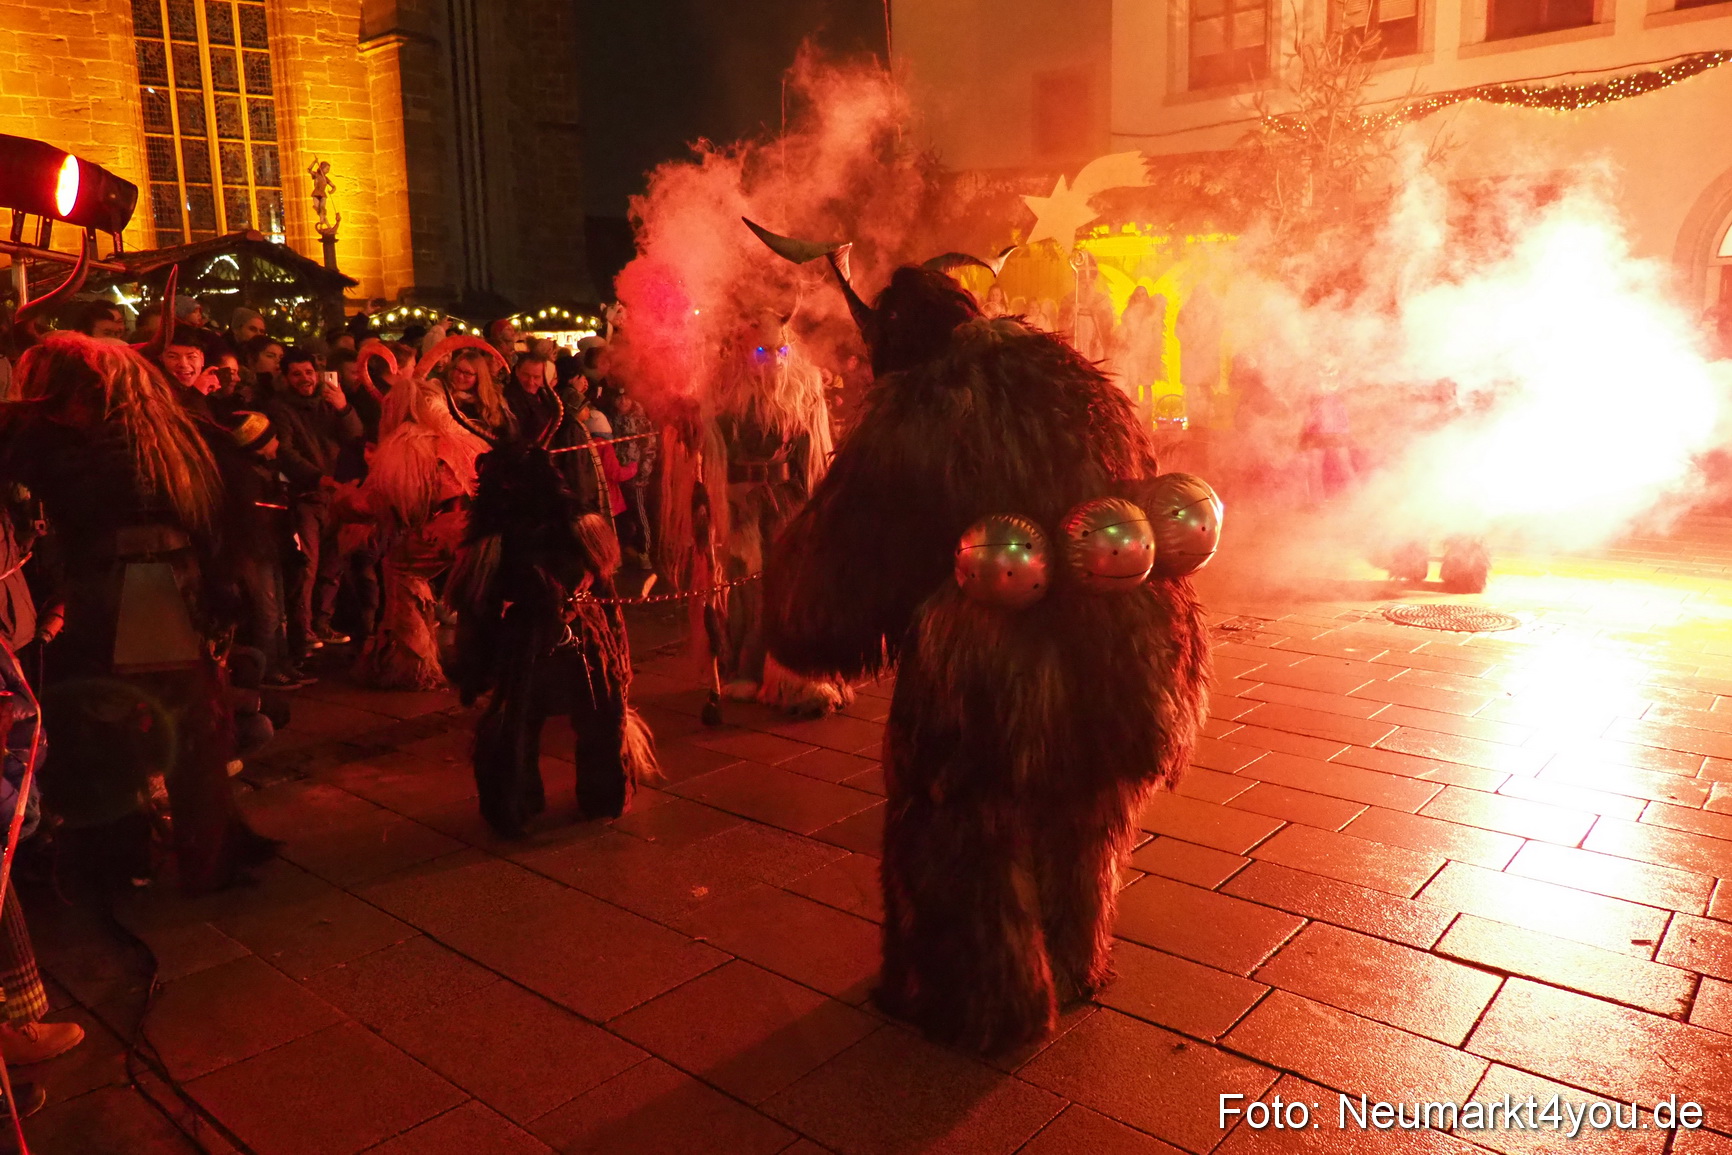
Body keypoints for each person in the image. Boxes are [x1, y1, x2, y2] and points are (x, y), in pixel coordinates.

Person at [764, 265, 1210, 1056]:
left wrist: (788, 598)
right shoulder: (1079, 381)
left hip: (993, 677)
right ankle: (1073, 959)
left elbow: (832, 583)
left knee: (964, 830)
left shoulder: (919, 411)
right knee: (1082, 818)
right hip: (1123, 650)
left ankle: (984, 1000)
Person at [0, 333, 276, 892]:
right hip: (173, 584)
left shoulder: (72, 438)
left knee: (118, 723)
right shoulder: (177, 431)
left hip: (132, 589)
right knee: (182, 727)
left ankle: (127, 857)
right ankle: (196, 854)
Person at [662, 307, 847, 716]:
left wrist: (816, 505)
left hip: (787, 497)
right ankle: (743, 669)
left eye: (781, 352)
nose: (773, 361)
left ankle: (792, 671)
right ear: (744, 349)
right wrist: (689, 423)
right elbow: (705, 442)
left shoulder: (803, 386)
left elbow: (811, 453)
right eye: (763, 352)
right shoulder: (721, 387)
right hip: (738, 500)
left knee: (790, 580)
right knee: (744, 584)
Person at [266, 349, 363, 659]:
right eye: (297, 374)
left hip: (336, 496)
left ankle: (323, 623)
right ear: (286, 377)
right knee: (307, 567)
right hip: (307, 496)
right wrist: (318, 478)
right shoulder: (280, 408)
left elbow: (356, 437)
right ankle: (303, 630)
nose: (305, 379)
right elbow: (285, 452)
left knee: (332, 565)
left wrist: (344, 408)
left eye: (309, 372)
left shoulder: (328, 403)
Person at [242, 334, 286, 405]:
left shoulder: (287, 391)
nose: (278, 361)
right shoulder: (244, 395)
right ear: (251, 360)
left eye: (281, 357)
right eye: (270, 356)